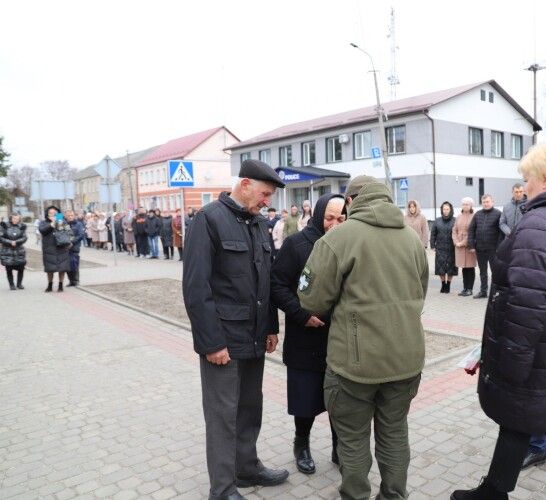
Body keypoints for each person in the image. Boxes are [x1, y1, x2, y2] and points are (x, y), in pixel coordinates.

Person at [451, 142, 546, 500]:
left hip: (541, 353)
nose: (523, 187)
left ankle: (494, 493)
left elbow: (526, 304)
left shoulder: (540, 224)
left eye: (527, 179)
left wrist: (510, 360)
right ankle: (495, 490)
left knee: (530, 419)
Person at [299, 175, 428, 500]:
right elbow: (421, 291)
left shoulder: (339, 238)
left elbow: (310, 299)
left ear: (352, 201)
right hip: (406, 360)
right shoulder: (412, 239)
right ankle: (394, 495)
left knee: (353, 439)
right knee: (395, 432)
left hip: (354, 364)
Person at [183, 159, 289, 500]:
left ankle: (247, 468)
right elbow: (196, 288)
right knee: (223, 416)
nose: (266, 201)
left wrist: (271, 325)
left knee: (249, 408)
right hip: (223, 341)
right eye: (264, 194)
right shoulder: (209, 220)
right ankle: (223, 489)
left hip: (255, 336)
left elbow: (266, 281)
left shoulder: (258, 225)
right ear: (244, 185)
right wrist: (211, 343)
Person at [270, 194, 346, 475]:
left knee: (341, 398)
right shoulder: (297, 244)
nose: (335, 224)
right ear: (317, 215)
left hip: (338, 339)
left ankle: (341, 447)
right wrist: (301, 315)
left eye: (341, 218)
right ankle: (301, 444)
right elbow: (277, 285)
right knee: (305, 398)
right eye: (329, 218)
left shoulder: (350, 244)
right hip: (305, 337)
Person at [467, 194, 502, 298]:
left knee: (495, 272)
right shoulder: (477, 214)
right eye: (484, 202)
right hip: (480, 248)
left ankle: (495, 293)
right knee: (483, 272)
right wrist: (471, 245)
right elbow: (471, 229)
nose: (486, 204)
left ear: (492, 202)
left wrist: (499, 246)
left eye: (488, 202)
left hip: (493, 249)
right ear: (481, 203)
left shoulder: (498, 214)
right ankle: (483, 291)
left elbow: (501, 232)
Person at [38, 206, 73, 293]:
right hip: (49, 249)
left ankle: (60, 285)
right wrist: (51, 224)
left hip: (62, 248)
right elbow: (42, 230)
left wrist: (70, 241)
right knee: (50, 269)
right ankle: (50, 285)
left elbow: (70, 232)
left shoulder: (62, 222)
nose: (53, 214)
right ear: (47, 214)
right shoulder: (44, 222)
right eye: (51, 213)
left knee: (62, 268)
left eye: (55, 213)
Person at [431, 201, 458, 293]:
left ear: (450, 210)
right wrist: (432, 245)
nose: (445, 211)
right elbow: (433, 234)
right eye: (444, 209)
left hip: (452, 248)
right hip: (440, 248)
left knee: (451, 267)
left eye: (447, 209)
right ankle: (443, 284)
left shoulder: (455, 220)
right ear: (442, 210)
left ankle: (448, 285)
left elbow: (457, 233)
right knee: (440, 267)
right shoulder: (437, 221)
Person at [453, 197, 477, 297]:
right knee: (463, 268)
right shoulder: (458, 216)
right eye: (463, 204)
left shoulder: (474, 216)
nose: (465, 206)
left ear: (471, 206)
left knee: (470, 268)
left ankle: (470, 289)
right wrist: (456, 241)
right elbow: (454, 230)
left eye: (467, 204)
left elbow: (472, 232)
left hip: (469, 245)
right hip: (459, 246)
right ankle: (465, 288)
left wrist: (462, 242)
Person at [0, 212, 27, 290]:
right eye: (14, 218)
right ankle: (11, 284)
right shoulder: (4, 226)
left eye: (17, 219)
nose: (16, 220)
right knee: (9, 268)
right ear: (11, 218)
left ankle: (19, 284)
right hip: (7, 251)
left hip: (19, 250)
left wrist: (17, 242)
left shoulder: (22, 226)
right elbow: (1, 237)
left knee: (21, 267)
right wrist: (10, 242)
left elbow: (24, 237)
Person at [65, 209, 86, 286]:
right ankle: (70, 281)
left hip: (75, 247)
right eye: (68, 216)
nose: (70, 217)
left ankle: (76, 280)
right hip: (65, 248)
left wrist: (72, 242)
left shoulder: (78, 224)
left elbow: (80, 235)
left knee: (74, 264)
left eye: (71, 215)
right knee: (67, 265)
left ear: (74, 216)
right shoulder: (64, 224)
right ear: (66, 216)